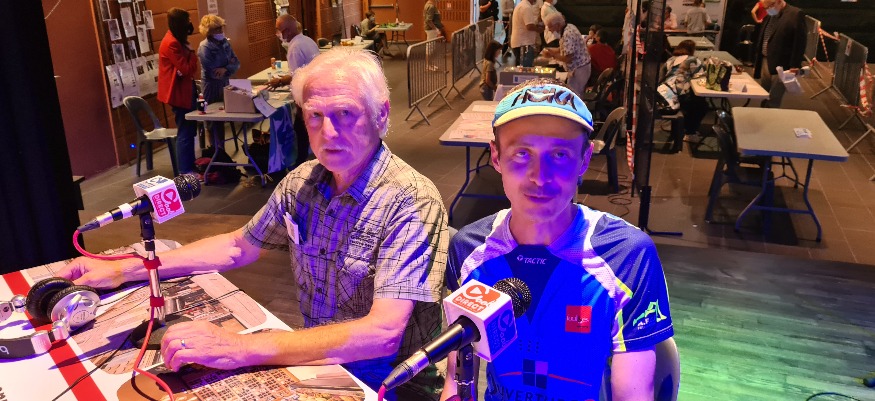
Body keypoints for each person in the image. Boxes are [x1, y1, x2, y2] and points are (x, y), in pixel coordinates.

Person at [59, 48, 449, 401]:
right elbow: (237, 246)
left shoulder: (411, 199)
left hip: (392, 386)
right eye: (315, 116)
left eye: (345, 113)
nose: (328, 133)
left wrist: (240, 348)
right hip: (320, 364)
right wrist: (127, 269)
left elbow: (382, 334)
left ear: (381, 114)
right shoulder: (302, 182)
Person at [439, 78, 674, 401]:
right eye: (522, 153)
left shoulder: (627, 255)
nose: (540, 176)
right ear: (496, 156)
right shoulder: (468, 249)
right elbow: (456, 382)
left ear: (584, 159)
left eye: (560, 155)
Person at [269, 14, 320, 167]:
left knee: (301, 128)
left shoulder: (295, 47)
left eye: (278, 30)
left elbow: (297, 76)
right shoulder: (307, 40)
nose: (277, 34)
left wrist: (279, 81)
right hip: (315, 89)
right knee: (306, 127)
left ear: (287, 31)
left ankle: (301, 162)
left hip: (305, 94)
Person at [157, 7, 198, 175]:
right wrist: (192, 54)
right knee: (185, 131)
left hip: (184, 91)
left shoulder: (176, 39)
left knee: (189, 130)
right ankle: (185, 170)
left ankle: (190, 166)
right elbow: (186, 69)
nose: (190, 24)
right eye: (187, 21)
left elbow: (185, 70)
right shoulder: (172, 43)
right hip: (179, 94)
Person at [197, 14, 240, 150]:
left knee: (222, 119)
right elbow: (213, 73)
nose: (221, 31)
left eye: (221, 28)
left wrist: (225, 69)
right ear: (208, 31)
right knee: (212, 122)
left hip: (225, 84)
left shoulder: (225, 43)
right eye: (217, 29)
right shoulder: (204, 47)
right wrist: (228, 65)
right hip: (211, 87)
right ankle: (215, 151)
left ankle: (221, 151)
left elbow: (237, 63)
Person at [754, 0, 806, 108]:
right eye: (765, 8)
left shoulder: (795, 14)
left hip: (782, 63)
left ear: (778, 1)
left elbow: (800, 42)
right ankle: (762, 113)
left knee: (774, 97)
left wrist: (795, 65)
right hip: (766, 60)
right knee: (764, 94)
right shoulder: (770, 14)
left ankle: (770, 116)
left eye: (769, 6)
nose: (768, 10)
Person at [664, 39, 708, 143]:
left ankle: (683, 126)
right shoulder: (693, 60)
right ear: (692, 50)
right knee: (701, 105)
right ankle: (690, 133)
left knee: (693, 101)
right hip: (679, 96)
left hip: (665, 94)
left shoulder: (670, 60)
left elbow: (662, 75)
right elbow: (701, 77)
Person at [541, 13, 590, 97]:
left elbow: (568, 58)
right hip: (580, 67)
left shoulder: (568, 34)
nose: (549, 30)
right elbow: (564, 48)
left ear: (557, 25)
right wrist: (550, 50)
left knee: (574, 96)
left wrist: (552, 55)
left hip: (579, 69)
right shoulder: (568, 27)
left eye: (550, 27)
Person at [510, 0, 542, 67]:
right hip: (524, 44)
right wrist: (538, 29)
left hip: (521, 43)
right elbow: (529, 26)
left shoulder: (522, 5)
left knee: (521, 68)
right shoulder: (526, 7)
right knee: (525, 69)